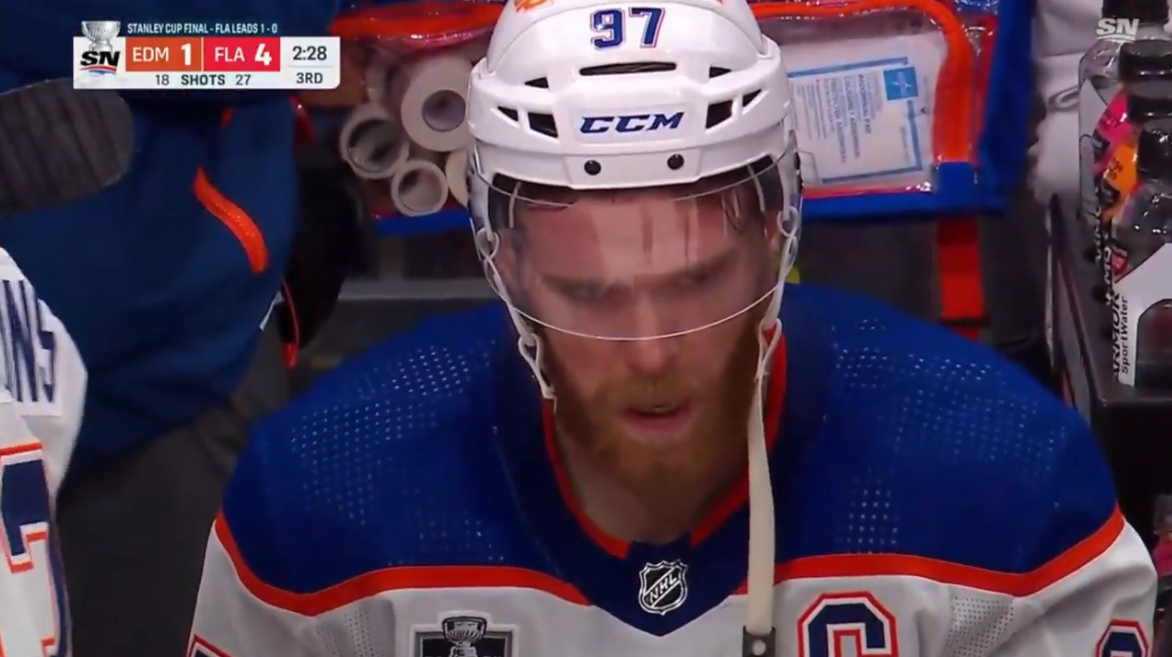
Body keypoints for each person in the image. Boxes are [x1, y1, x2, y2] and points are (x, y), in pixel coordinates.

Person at [189, 0, 1156, 654]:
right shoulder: (315, 502)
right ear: (504, 261)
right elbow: (122, 49)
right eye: (591, 292)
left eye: (696, 281)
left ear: (778, 234)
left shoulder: (1012, 490)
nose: (651, 352)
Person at [0, 3, 337, 656]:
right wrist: (306, 57)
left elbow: (261, 41)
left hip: (163, 381)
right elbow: (263, 45)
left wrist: (312, 53)